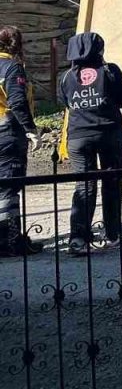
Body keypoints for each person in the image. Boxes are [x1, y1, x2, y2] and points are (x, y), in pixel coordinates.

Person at [60, 32, 122, 255]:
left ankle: (78, 238)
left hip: (79, 136)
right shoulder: (110, 71)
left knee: (84, 185)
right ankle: (112, 234)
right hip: (109, 133)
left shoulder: (66, 77)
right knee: (111, 182)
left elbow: (65, 102)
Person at [0, 26, 41, 257]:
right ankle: (10, 242)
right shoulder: (11, 67)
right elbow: (17, 102)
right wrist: (31, 129)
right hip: (7, 133)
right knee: (8, 189)